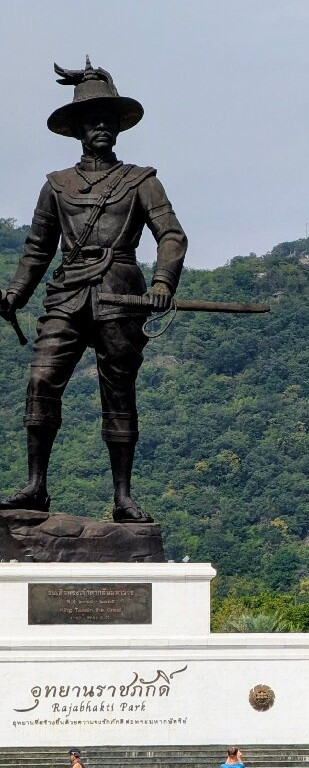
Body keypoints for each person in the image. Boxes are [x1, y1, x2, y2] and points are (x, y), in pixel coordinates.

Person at [0, 57, 186, 522]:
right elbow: (37, 249)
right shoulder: (57, 186)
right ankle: (36, 487)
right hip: (67, 294)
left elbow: (171, 235)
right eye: (92, 120)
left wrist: (163, 281)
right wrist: (15, 294)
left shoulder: (140, 181)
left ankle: (122, 497)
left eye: (109, 120)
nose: (101, 127)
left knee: (118, 392)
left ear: (119, 129)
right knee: (40, 380)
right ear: (79, 129)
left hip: (121, 293)